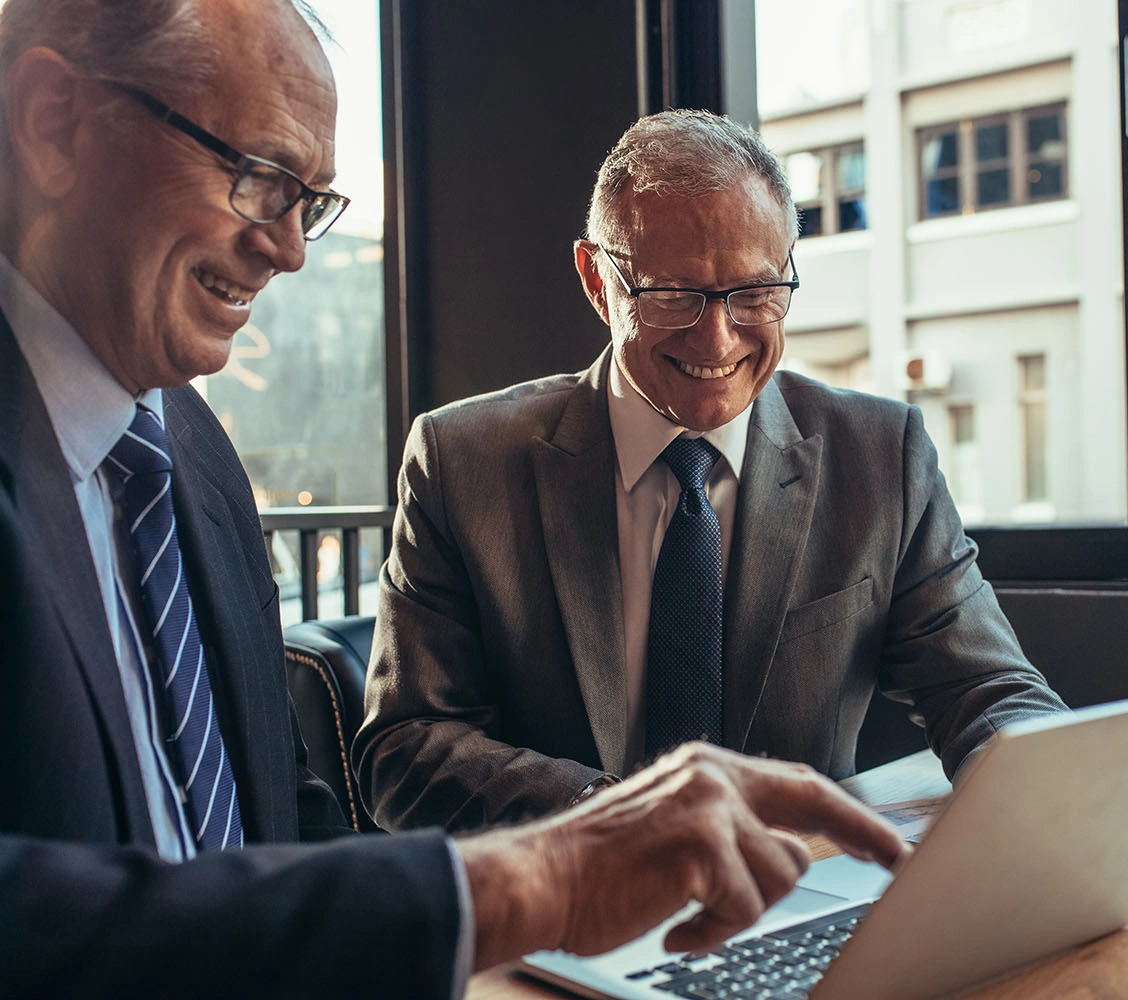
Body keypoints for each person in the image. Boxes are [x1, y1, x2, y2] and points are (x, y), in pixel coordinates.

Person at [0, 2, 907, 995]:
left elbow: (280, 820)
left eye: (310, 201)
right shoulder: (443, 453)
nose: (292, 250)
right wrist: (538, 875)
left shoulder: (195, 455)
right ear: (54, 121)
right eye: (261, 177)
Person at [354, 110, 1068, 832]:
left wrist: (1062, 796)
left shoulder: (882, 455)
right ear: (598, 281)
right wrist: (618, 816)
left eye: (756, 293)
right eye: (673, 295)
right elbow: (406, 750)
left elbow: (986, 688)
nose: (718, 338)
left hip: (792, 894)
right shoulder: (461, 460)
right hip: (563, 904)